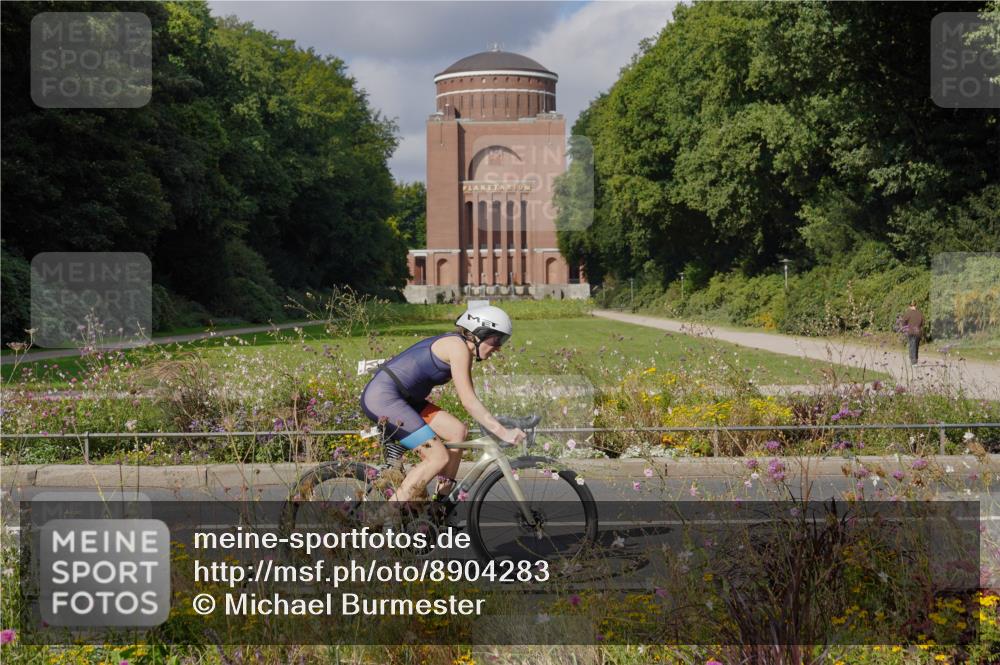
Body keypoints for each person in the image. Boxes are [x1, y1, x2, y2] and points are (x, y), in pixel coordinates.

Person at [360, 304, 526, 515]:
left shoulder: (460, 347)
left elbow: (469, 401)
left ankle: (439, 506)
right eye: (497, 340)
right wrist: (503, 432)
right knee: (438, 457)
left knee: (457, 431)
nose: (499, 347)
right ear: (478, 334)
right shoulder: (457, 348)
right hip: (384, 398)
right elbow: (469, 401)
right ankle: (381, 518)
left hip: (405, 399)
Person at [900, 300, 925, 365]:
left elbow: (903, 322)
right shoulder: (920, 313)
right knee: (916, 345)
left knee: (912, 345)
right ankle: (915, 360)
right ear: (916, 305)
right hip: (918, 331)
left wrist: (906, 327)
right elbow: (923, 323)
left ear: (909, 306)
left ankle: (913, 361)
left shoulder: (908, 313)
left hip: (910, 331)